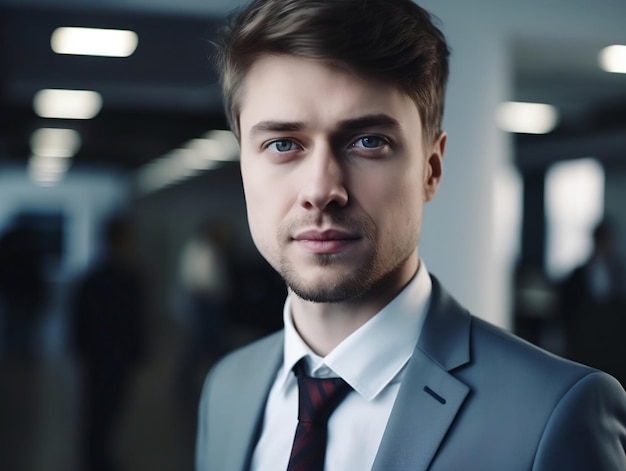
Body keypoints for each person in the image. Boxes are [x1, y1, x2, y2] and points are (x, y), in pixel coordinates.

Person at [196, 0, 626, 469]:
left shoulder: (554, 413)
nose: (321, 190)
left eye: (367, 142)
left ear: (431, 168)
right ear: (243, 168)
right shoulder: (227, 389)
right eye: (282, 144)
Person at [71, 215, 146, 471]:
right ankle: (96, 459)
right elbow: (134, 321)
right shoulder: (125, 279)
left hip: (102, 356)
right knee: (103, 410)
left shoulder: (95, 277)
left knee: (101, 409)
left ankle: (96, 456)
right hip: (111, 357)